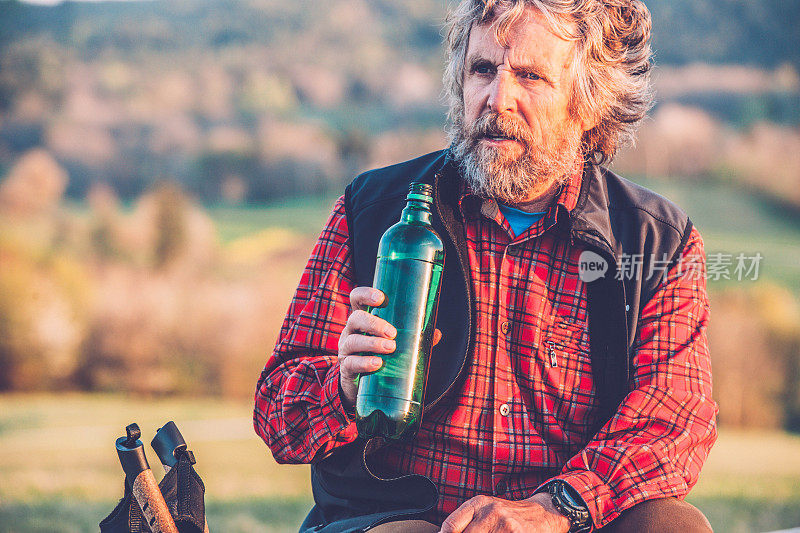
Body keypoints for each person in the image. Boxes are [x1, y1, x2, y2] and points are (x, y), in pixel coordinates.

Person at [254, 1, 718, 531]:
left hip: (568, 519)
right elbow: (275, 415)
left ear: (588, 103)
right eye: (482, 70)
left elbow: (672, 422)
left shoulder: (657, 241)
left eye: (530, 76)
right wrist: (340, 383)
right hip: (396, 518)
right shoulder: (374, 210)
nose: (497, 99)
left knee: (673, 526)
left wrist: (558, 508)